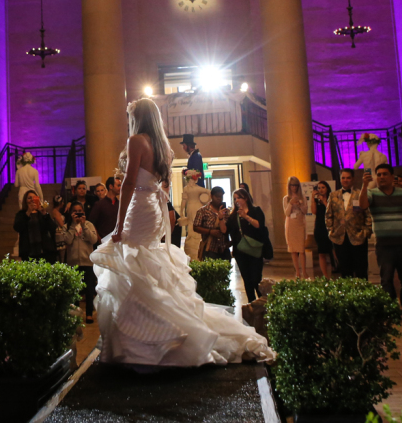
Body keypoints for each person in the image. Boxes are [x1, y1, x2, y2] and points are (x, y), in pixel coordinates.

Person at [91, 98, 273, 366]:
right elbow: (164, 186)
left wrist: (119, 224)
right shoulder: (163, 147)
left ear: (138, 118)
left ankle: (146, 338)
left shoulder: (136, 141)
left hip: (139, 208)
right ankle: (146, 335)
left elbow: (128, 183)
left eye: (131, 117)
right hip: (154, 209)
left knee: (135, 264)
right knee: (145, 262)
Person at [358, 164, 402, 323]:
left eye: (385, 174)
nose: (381, 177)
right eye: (378, 174)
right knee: (386, 279)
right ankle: (390, 311)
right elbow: (362, 205)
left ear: (392, 177)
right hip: (384, 245)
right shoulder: (372, 193)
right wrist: (364, 185)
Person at [325, 169, 372, 280]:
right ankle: (348, 290)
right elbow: (328, 215)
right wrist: (331, 230)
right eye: (343, 178)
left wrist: (366, 231)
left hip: (358, 236)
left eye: (348, 178)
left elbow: (368, 215)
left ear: (353, 179)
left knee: (361, 270)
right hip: (339, 238)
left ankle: (362, 290)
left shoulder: (360, 194)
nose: (345, 180)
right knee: (345, 270)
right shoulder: (333, 195)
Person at [60, 202, 98, 323]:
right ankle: (76, 315)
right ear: (71, 213)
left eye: (80, 211)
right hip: (73, 263)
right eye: (75, 211)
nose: (78, 213)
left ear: (84, 212)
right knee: (75, 290)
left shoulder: (89, 225)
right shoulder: (67, 226)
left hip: (87, 262)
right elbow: (67, 240)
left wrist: (83, 225)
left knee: (89, 289)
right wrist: (73, 225)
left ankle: (89, 314)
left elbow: (94, 240)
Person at [227, 189, 265, 302]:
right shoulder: (233, 215)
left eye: (239, 197)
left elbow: (259, 225)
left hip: (255, 249)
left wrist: (245, 216)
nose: (237, 200)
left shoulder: (256, 211)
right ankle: (251, 304)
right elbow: (226, 230)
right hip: (240, 251)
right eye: (235, 198)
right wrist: (220, 218)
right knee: (247, 280)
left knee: (256, 279)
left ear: (246, 198)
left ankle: (263, 302)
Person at [13, 191, 58, 262]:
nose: (32, 200)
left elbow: (53, 227)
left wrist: (45, 214)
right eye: (29, 198)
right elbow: (17, 227)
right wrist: (28, 213)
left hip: (44, 252)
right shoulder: (21, 214)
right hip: (28, 252)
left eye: (34, 198)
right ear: (25, 201)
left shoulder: (41, 214)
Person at [192, 186, 230, 261]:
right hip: (210, 248)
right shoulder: (203, 211)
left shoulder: (225, 212)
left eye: (221, 196)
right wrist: (210, 231)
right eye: (217, 196)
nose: (219, 199)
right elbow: (195, 227)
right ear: (211, 196)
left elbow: (229, 226)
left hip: (224, 247)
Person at [283, 176, 308, 278]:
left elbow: (305, 211)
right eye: (292, 185)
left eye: (296, 185)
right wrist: (290, 203)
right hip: (291, 225)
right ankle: (297, 271)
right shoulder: (286, 198)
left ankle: (304, 271)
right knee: (293, 249)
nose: (294, 187)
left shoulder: (303, 197)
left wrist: (299, 204)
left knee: (301, 249)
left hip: (300, 224)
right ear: (289, 186)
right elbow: (287, 213)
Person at [310, 181, 333, 279]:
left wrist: (324, 201)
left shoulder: (331, 198)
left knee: (333, 250)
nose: (321, 190)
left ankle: (338, 270)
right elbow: (314, 211)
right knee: (321, 252)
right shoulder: (316, 200)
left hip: (331, 227)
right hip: (320, 228)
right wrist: (312, 198)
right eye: (319, 188)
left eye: (323, 187)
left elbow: (331, 211)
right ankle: (326, 276)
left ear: (327, 188)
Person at [88, 179, 120, 243]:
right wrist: (99, 239)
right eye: (118, 185)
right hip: (104, 241)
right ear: (111, 186)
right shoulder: (99, 204)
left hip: (117, 241)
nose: (120, 188)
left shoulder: (120, 204)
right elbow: (91, 223)